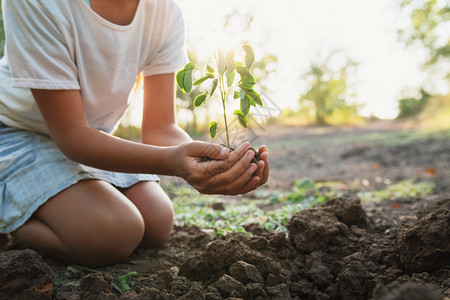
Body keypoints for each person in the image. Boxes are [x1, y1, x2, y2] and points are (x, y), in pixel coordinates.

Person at [0, 0, 269, 267]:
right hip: (14, 133)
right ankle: (9, 219)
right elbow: (71, 134)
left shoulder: (164, 13)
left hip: (91, 138)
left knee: (158, 221)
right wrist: (173, 163)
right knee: (114, 233)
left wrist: (208, 162)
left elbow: (160, 127)